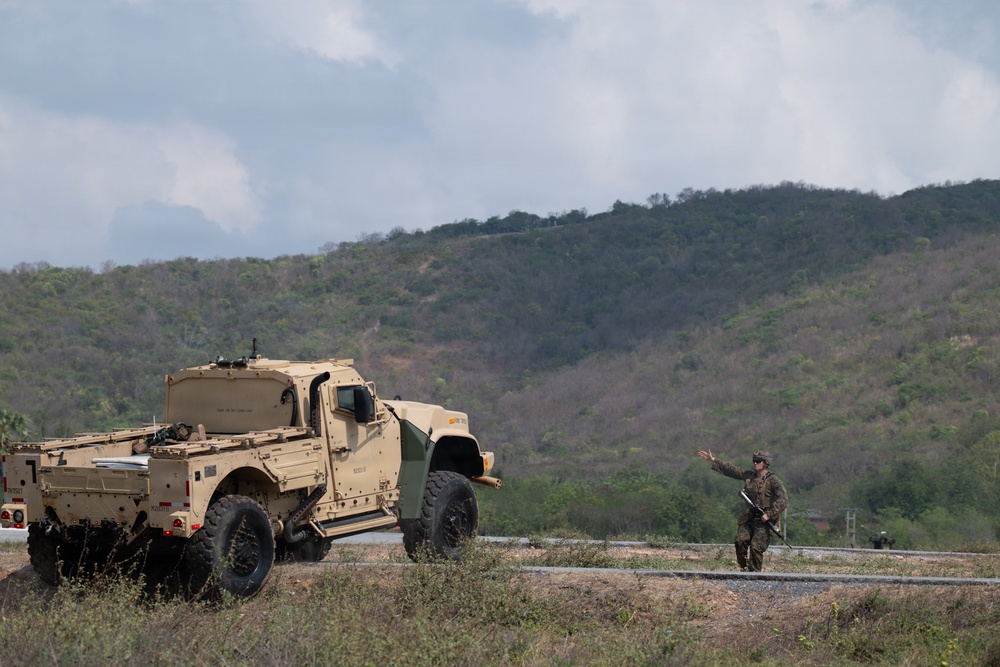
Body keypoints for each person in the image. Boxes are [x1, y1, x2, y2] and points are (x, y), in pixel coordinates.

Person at [697, 448, 787, 572]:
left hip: (764, 522)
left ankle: (754, 574)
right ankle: (744, 570)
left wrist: (770, 514)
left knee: (756, 547)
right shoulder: (749, 476)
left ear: (765, 463)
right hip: (750, 518)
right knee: (740, 541)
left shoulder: (773, 480)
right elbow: (732, 470)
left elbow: (783, 499)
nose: (755, 463)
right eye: (754, 461)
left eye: (758, 461)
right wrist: (713, 460)